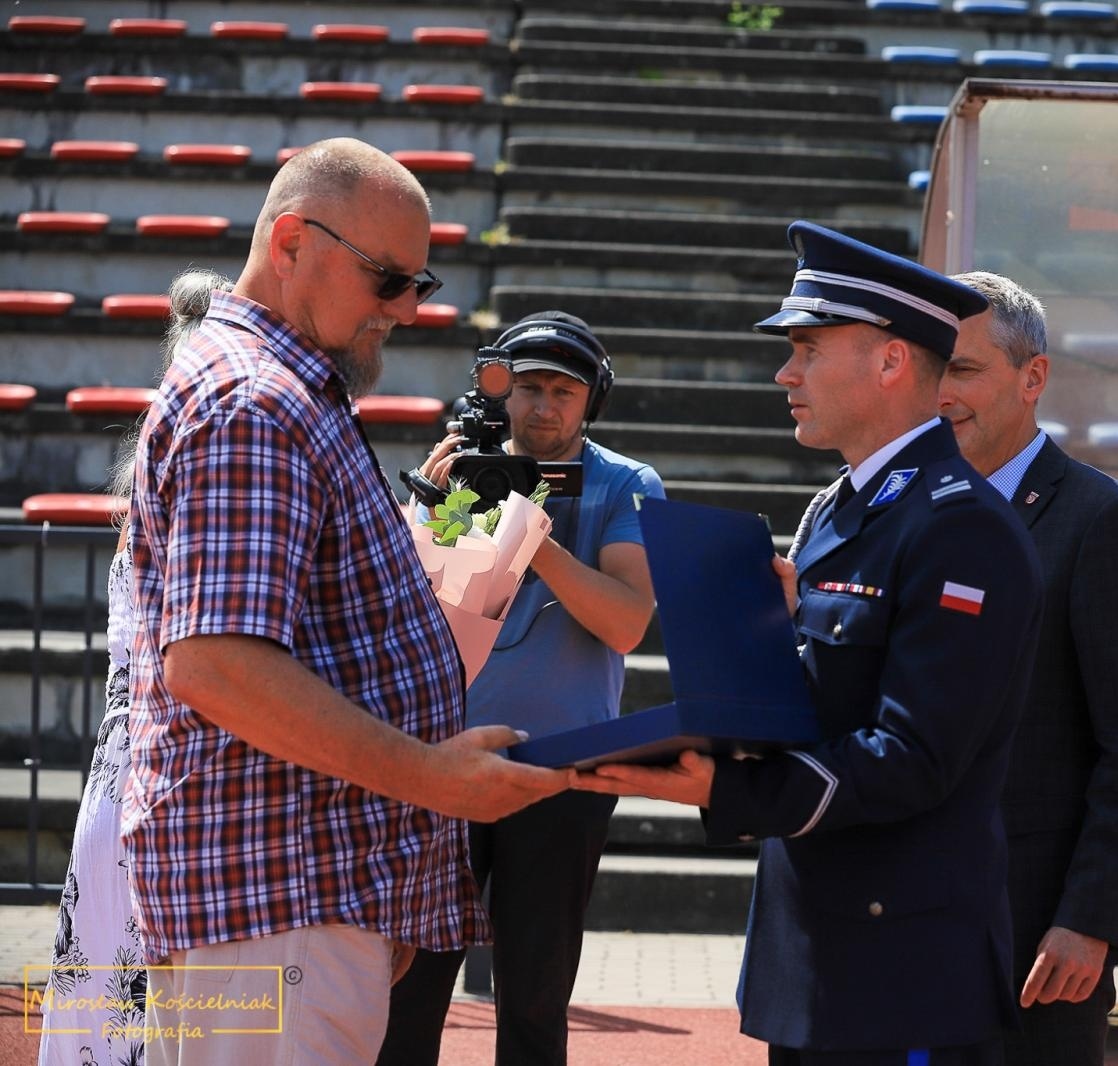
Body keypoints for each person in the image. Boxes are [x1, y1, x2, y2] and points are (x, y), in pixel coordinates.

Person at [123, 137, 572, 1066]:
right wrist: (431, 780)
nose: (407, 309)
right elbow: (218, 664)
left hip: (288, 904)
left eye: (424, 282)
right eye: (388, 278)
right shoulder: (255, 401)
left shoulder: (282, 390)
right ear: (290, 244)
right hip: (272, 908)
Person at [577, 221, 1044, 1065]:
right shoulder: (839, 510)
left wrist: (726, 787)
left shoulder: (962, 529)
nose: (785, 373)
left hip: (901, 968)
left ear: (891, 361)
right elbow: (827, 700)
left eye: (807, 348)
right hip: (816, 949)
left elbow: (913, 757)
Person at [379, 312, 665, 1066]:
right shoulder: (463, 471)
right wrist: (431, 509)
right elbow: (411, 616)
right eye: (528, 387)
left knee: (535, 995)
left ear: (590, 400)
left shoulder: (626, 483)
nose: (543, 406)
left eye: (563, 391)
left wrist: (528, 535)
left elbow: (629, 623)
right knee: (410, 988)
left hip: (562, 770)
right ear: (499, 393)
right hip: (444, 764)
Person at [940, 271, 1118, 1066]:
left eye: (964, 369)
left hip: (1038, 937)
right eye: (931, 367)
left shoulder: (1100, 521)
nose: (942, 392)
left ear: (1031, 376)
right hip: (914, 921)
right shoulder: (905, 508)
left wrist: (1093, 919)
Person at [37, 268, 229, 1066]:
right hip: (174, 786)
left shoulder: (166, 464)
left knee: (114, 1021)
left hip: (126, 781)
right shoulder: (208, 465)